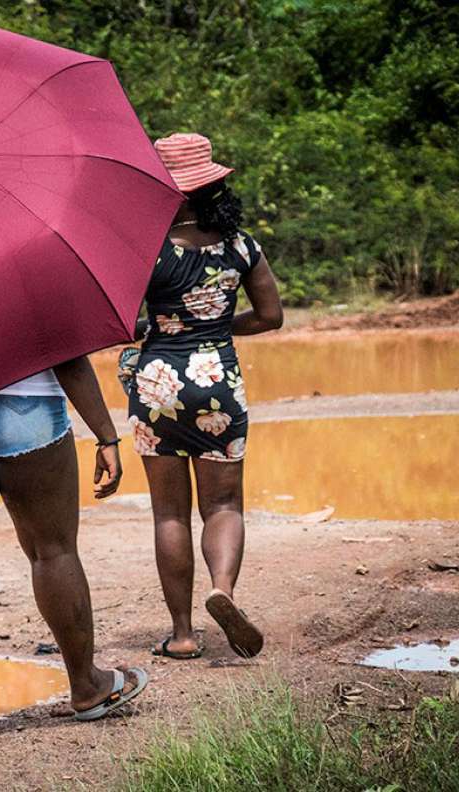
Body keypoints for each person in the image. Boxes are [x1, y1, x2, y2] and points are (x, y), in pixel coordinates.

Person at [0, 361, 146, 752]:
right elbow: (69, 360)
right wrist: (106, 436)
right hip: (27, 399)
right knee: (52, 552)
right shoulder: (40, 294)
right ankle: (87, 686)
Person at [119, 133, 283, 660]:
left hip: (156, 384)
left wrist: (159, 325)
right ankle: (224, 591)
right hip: (217, 381)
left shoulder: (146, 244)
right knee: (224, 503)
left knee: (169, 514)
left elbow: (119, 319)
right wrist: (214, 326)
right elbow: (270, 317)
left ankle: (184, 634)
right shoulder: (240, 245)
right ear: (214, 182)